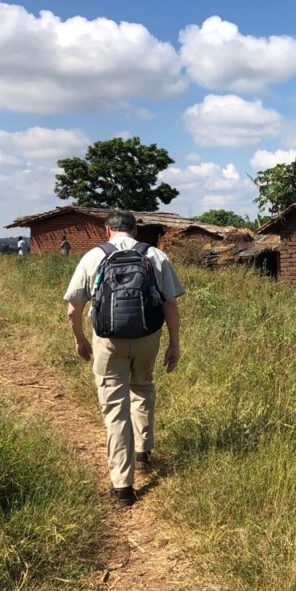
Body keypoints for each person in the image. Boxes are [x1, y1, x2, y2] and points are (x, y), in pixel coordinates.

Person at [64, 211, 183, 507]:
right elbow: (170, 303)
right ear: (135, 229)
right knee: (142, 386)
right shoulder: (155, 255)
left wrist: (80, 340)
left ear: (108, 230)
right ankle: (142, 452)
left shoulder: (93, 256)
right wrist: (174, 344)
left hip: (108, 341)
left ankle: (122, 486)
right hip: (147, 337)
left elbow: (72, 309)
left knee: (115, 409)